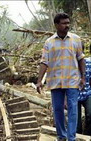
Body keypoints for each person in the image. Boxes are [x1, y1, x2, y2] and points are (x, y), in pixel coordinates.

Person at [36, 13, 85, 141]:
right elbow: (44, 62)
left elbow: (81, 59)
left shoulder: (76, 39)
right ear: (56, 25)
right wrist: (39, 81)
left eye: (68, 23)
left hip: (72, 80)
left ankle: (71, 137)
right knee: (58, 109)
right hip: (55, 80)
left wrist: (83, 77)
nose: (67, 26)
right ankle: (61, 136)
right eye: (64, 23)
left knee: (73, 109)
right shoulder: (49, 42)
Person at [77, 57, 91, 136]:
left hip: (87, 93)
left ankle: (87, 135)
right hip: (74, 95)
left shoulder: (88, 63)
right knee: (76, 122)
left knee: (90, 114)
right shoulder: (70, 65)